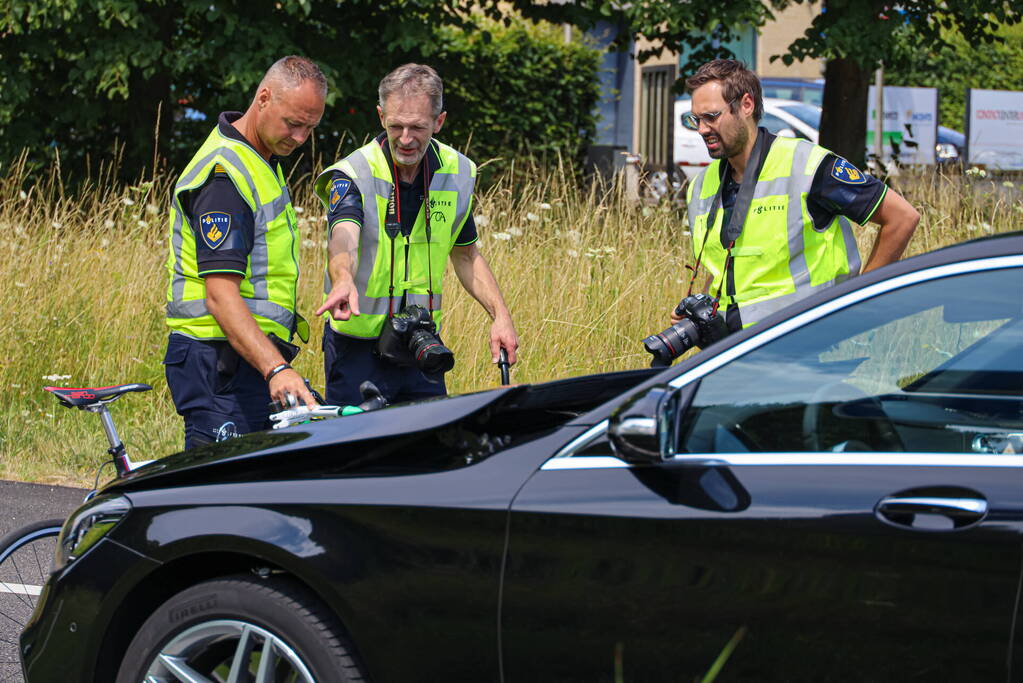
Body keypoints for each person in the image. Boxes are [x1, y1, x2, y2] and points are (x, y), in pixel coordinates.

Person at [312, 63, 518, 406]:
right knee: (359, 454)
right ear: (380, 116)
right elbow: (343, 233)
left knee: (427, 450)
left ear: (439, 122)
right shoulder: (353, 173)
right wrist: (342, 277)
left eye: (418, 127)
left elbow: (466, 255)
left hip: (420, 344)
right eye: (396, 126)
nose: (405, 139)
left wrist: (501, 316)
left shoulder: (458, 171)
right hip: (357, 349)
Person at [676, 59, 920, 331]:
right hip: (737, 351)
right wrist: (702, 311)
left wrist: (860, 306)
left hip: (811, 346)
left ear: (746, 105)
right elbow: (724, 265)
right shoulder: (702, 185)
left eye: (711, 117)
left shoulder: (807, 165)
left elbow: (902, 218)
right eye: (695, 119)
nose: (701, 129)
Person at [163, 56, 325, 449]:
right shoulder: (226, 177)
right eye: (293, 123)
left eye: (310, 128)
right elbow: (220, 296)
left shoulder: (260, 160)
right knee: (218, 499)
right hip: (219, 366)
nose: (300, 138)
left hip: (239, 359)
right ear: (264, 98)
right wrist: (277, 370)